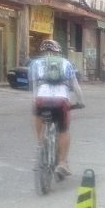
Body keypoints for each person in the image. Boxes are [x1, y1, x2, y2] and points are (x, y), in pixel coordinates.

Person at [28, 39, 85, 180]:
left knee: (37, 113)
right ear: (58, 52)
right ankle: (62, 162)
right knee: (63, 131)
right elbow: (76, 87)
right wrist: (80, 102)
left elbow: (34, 89)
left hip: (42, 99)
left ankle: (40, 144)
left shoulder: (35, 64)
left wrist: (35, 102)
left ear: (43, 52)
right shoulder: (66, 63)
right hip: (61, 101)